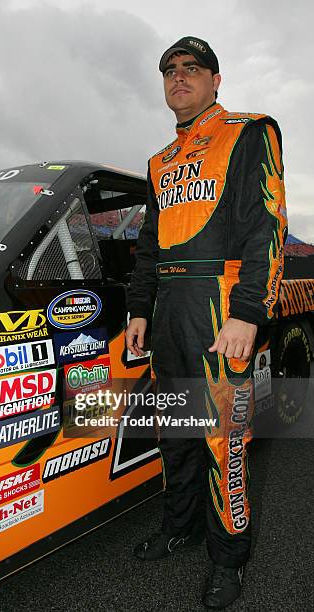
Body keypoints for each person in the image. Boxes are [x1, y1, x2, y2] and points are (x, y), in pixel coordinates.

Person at [126, 36, 287, 609]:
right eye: (169, 71)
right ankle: (180, 527)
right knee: (175, 436)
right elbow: (148, 245)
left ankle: (229, 559)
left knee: (225, 441)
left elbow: (267, 225)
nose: (178, 78)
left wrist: (248, 311)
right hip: (169, 310)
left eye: (192, 69)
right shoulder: (158, 163)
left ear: (215, 79)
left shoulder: (249, 130)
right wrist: (139, 308)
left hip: (221, 309)